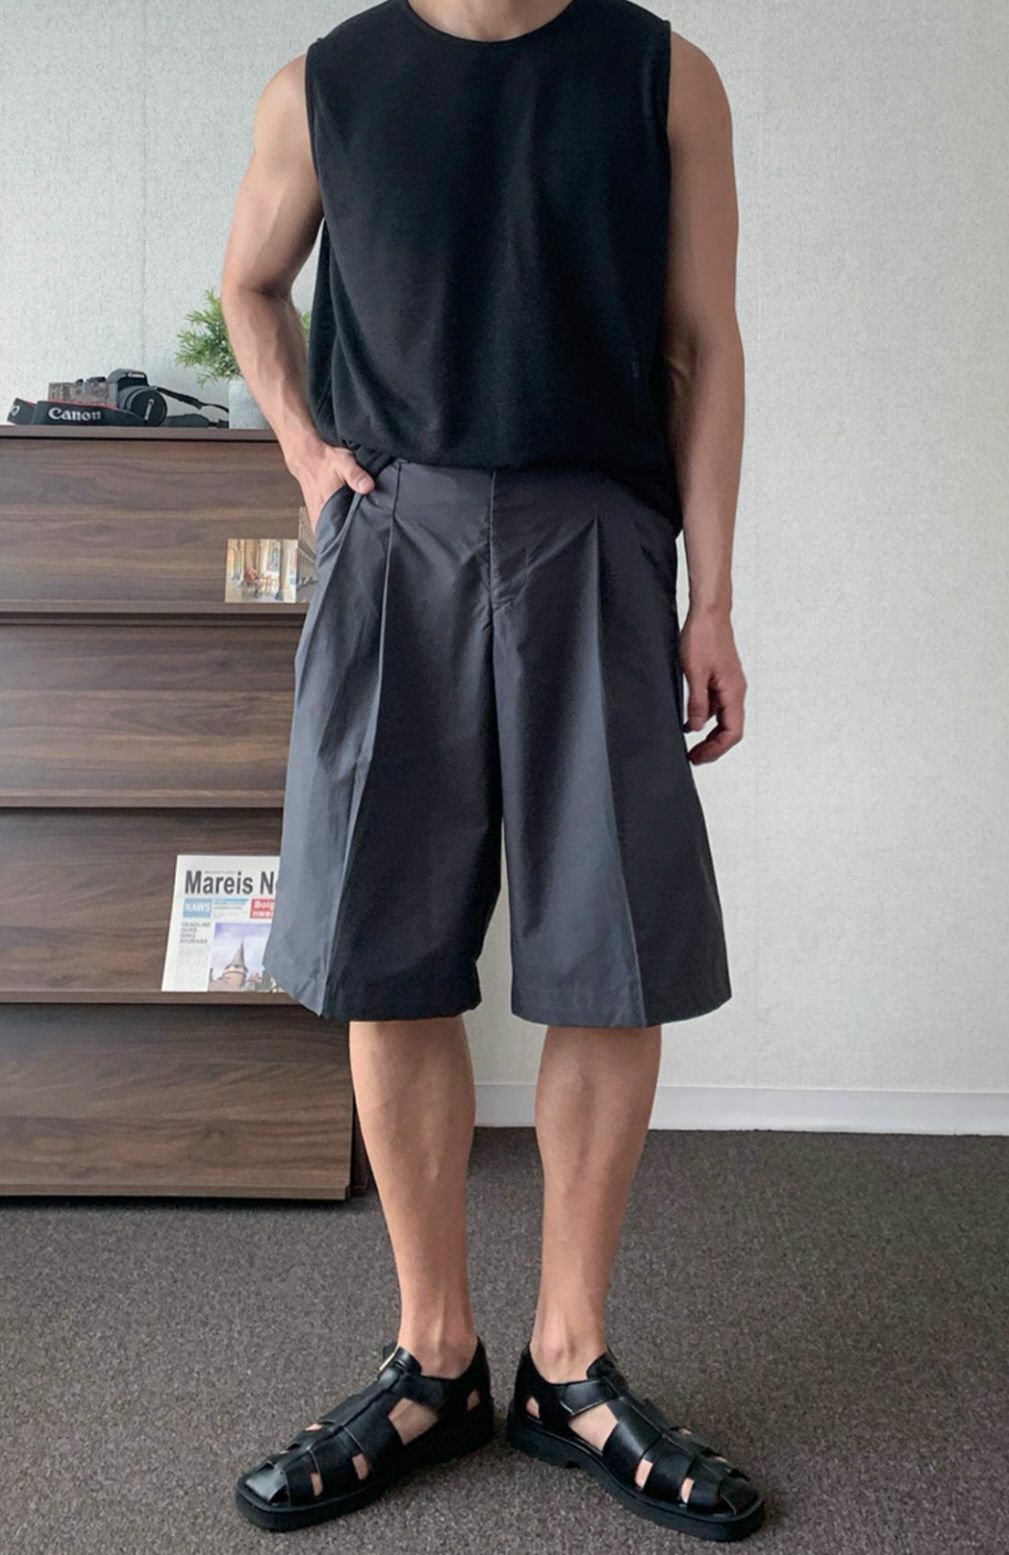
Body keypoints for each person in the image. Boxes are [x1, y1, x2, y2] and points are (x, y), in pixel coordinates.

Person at [221, 0, 759, 1539]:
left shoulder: (661, 74)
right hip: (397, 540)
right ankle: (435, 1357)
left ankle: (569, 1364)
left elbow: (701, 339)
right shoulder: (324, 85)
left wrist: (710, 598)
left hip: (595, 535)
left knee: (611, 957)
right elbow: (250, 284)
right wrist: (307, 456)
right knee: (386, 954)